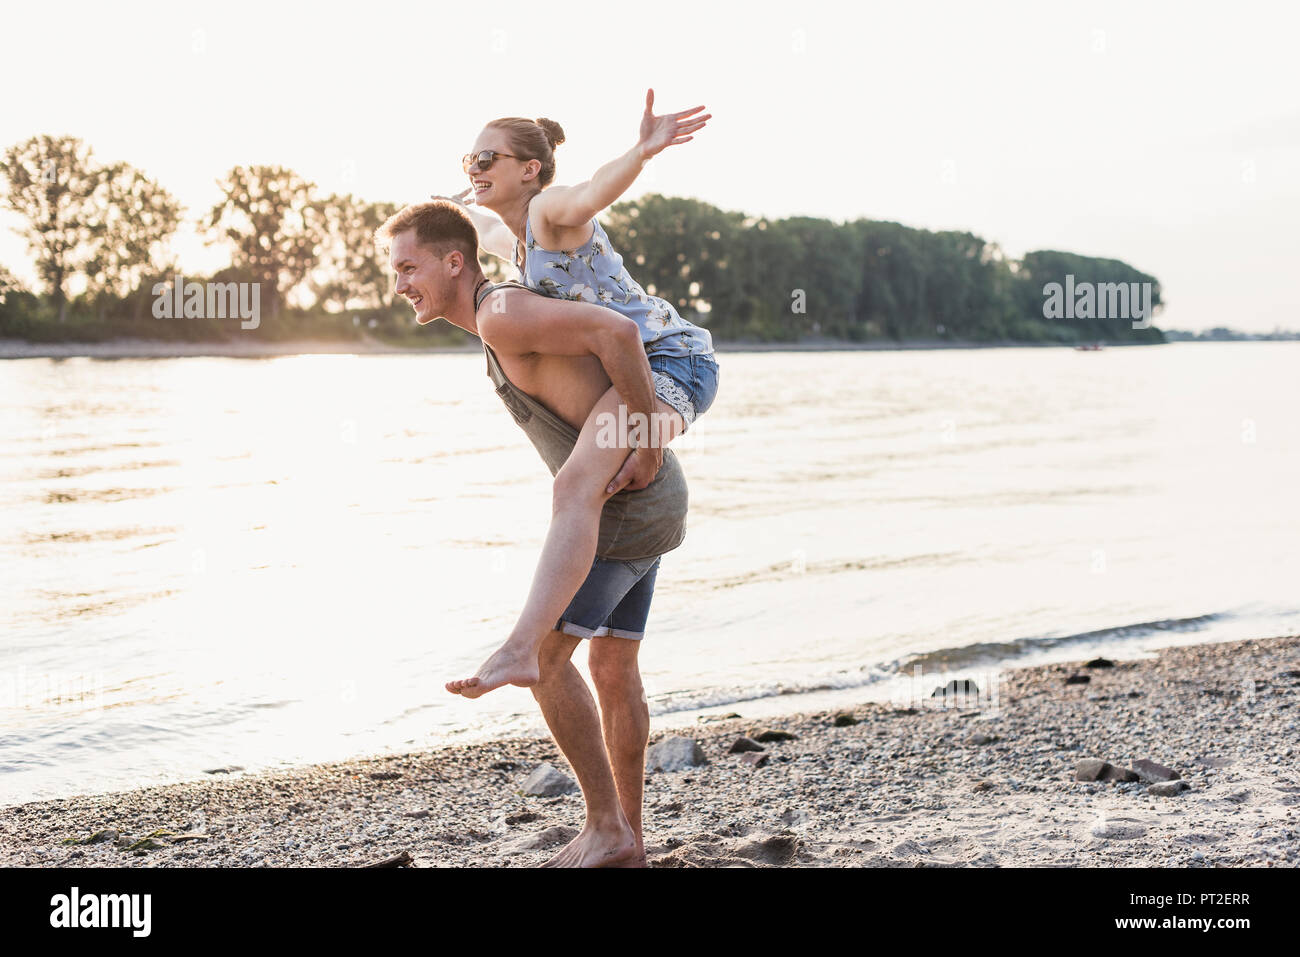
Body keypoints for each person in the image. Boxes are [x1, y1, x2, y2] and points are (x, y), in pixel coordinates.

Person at [376, 199, 690, 866]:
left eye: (408, 267)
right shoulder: (498, 313)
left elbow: (620, 336)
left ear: (452, 263)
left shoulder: (500, 313)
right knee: (612, 664)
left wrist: (649, 443)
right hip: (643, 501)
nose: (398, 283)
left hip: (627, 505)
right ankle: (626, 839)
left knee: (545, 665)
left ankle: (607, 828)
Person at [441, 90, 719, 699]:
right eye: (469, 160)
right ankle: (527, 650)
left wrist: (641, 153)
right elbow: (481, 224)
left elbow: (591, 189)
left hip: (674, 361)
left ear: (530, 168)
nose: (476, 169)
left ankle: (520, 648)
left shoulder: (550, 211)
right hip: (640, 367)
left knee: (573, 484)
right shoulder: (517, 239)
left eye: (488, 158)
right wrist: (447, 205)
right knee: (578, 488)